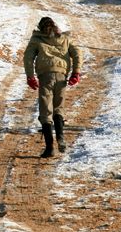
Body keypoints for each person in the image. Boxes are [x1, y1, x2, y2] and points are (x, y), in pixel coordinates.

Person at [23, 16, 82, 158]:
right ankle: (60, 136)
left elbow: (28, 57)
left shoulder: (36, 39)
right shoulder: (65, 38)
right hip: (61, 76)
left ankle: (50, 147)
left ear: (40, 27)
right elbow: (77, 53)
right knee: (58, 107)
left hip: (46, 76)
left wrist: (30, 76)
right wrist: (76, 72)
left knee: (45, 110)